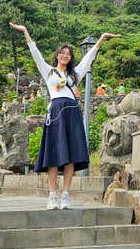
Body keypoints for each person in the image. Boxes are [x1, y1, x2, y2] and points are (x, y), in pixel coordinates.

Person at [9, 22, 119, 210]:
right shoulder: (48, 71)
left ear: (70, 57)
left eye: (68, 54)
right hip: (56, 113)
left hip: (71, 113)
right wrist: (25, 32)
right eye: (63, 53)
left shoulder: (75, 74)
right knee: (54, 155)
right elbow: (35, 53)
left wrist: (101, 38)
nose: (65, 56)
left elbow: (89, 58)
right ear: (57, 55)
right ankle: (52, 195)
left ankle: (66, 195)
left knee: (70, 157)